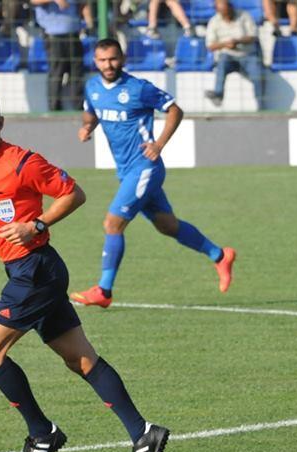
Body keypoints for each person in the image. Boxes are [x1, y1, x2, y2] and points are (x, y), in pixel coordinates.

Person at [0, 89, 169, 452]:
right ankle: (143, 432)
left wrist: (36, 225)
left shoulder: (23, 163)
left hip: (36, 271)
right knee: (81, 360)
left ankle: (41, 432)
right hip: (25, 273)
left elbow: (74, 194)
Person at [72, 38, 236, 308]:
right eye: (102, 60)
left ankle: (104, 291)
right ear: (95, 62)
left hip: (145, 167)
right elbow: (91, 114)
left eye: (113, 59)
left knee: (112, 224)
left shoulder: (139, 88)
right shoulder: (92, 87)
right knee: (167, 225)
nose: (108, 65)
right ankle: (220, 255)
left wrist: (158, 144)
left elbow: (175, 110)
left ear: (122, 59)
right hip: (126, 171)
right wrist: (87, 128)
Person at [31, 0, 93, 111]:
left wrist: (89, 23)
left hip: (74, 34)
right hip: (54, 36)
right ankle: (54, 109)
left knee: (77, 73)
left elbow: (83, 4)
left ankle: (78, 108)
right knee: (56, 73)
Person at [204, 0, 265, 110]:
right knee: (222, 63)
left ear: (231, 7)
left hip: (247, 54)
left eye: (228, 12)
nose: (227, 16)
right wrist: (225, 44)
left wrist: (237, 41)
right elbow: (210, 46)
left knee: (258, 74)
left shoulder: (244, 15)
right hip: (228, 55)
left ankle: (261, 105)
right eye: (224, 14)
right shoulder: (213, 21)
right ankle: (218, 94)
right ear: (218, 12)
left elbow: (253, 36)